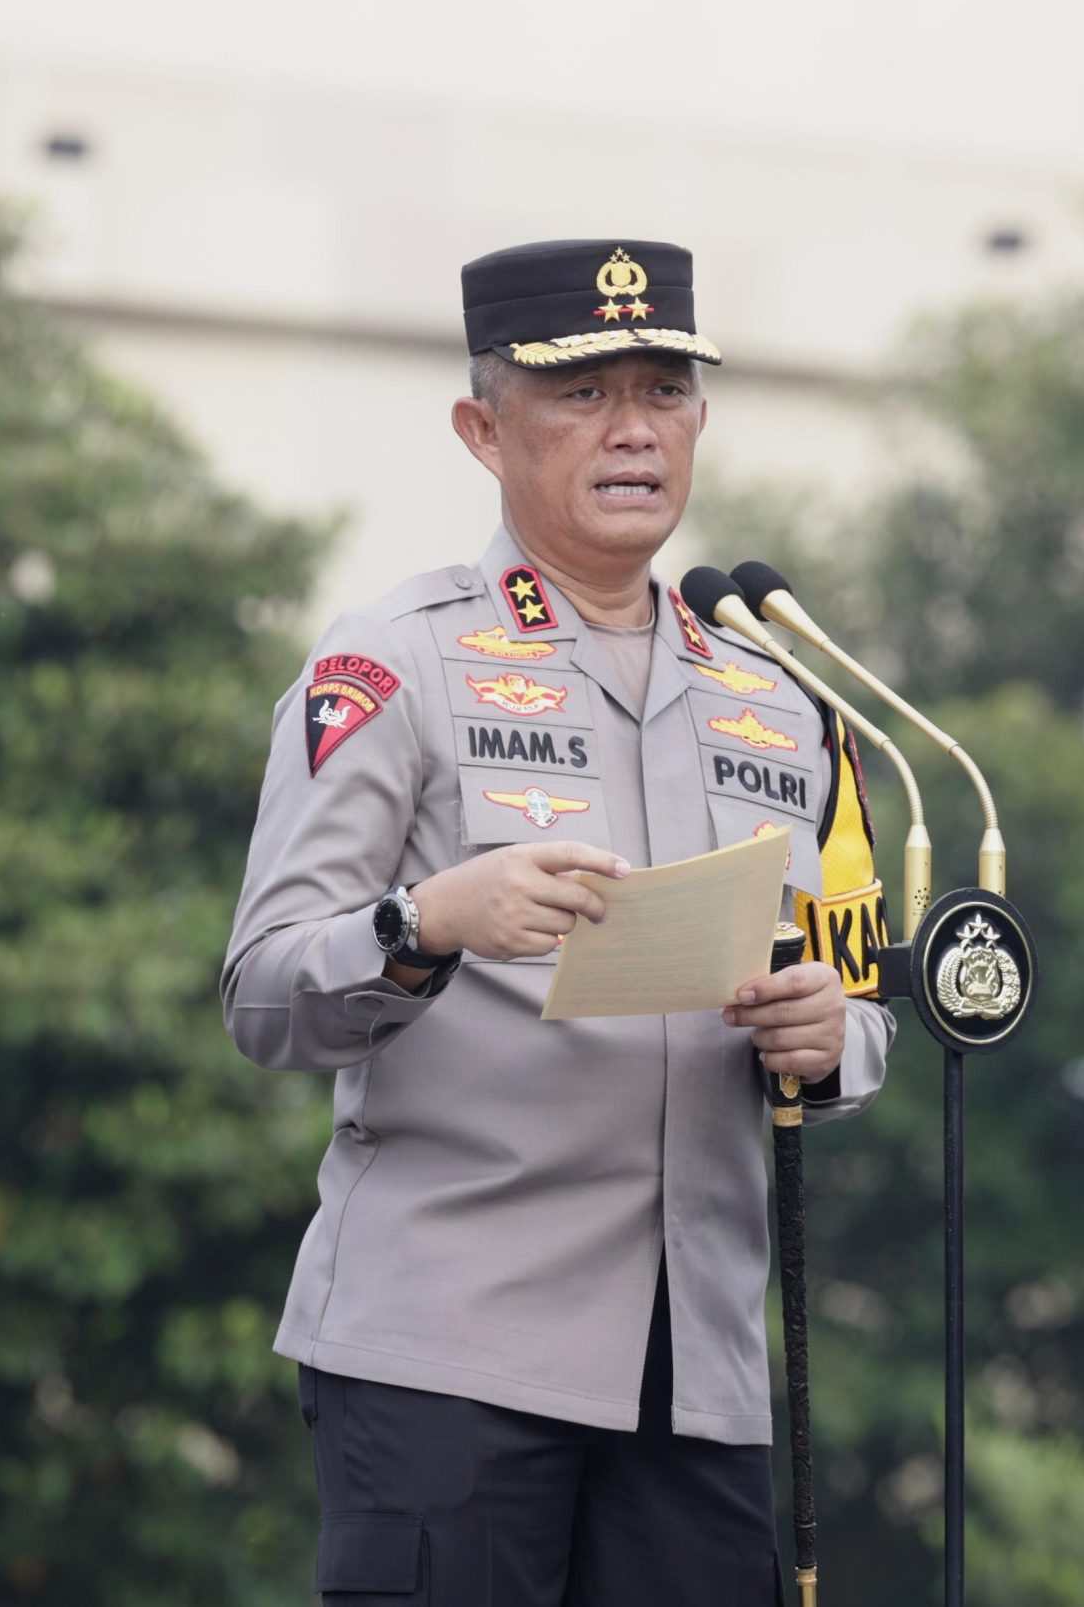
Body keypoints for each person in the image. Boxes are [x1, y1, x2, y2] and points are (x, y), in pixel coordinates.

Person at [224, 238, 894, 1604]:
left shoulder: (783, 702)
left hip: (697, 1371)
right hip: (447, 1350)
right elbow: (263, 992)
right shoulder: (393, 661)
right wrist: (426, 922)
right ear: (484, 430)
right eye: (584, 394)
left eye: (664, 392)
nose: (633, 429)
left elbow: (857, 1003)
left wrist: (832, 1036)